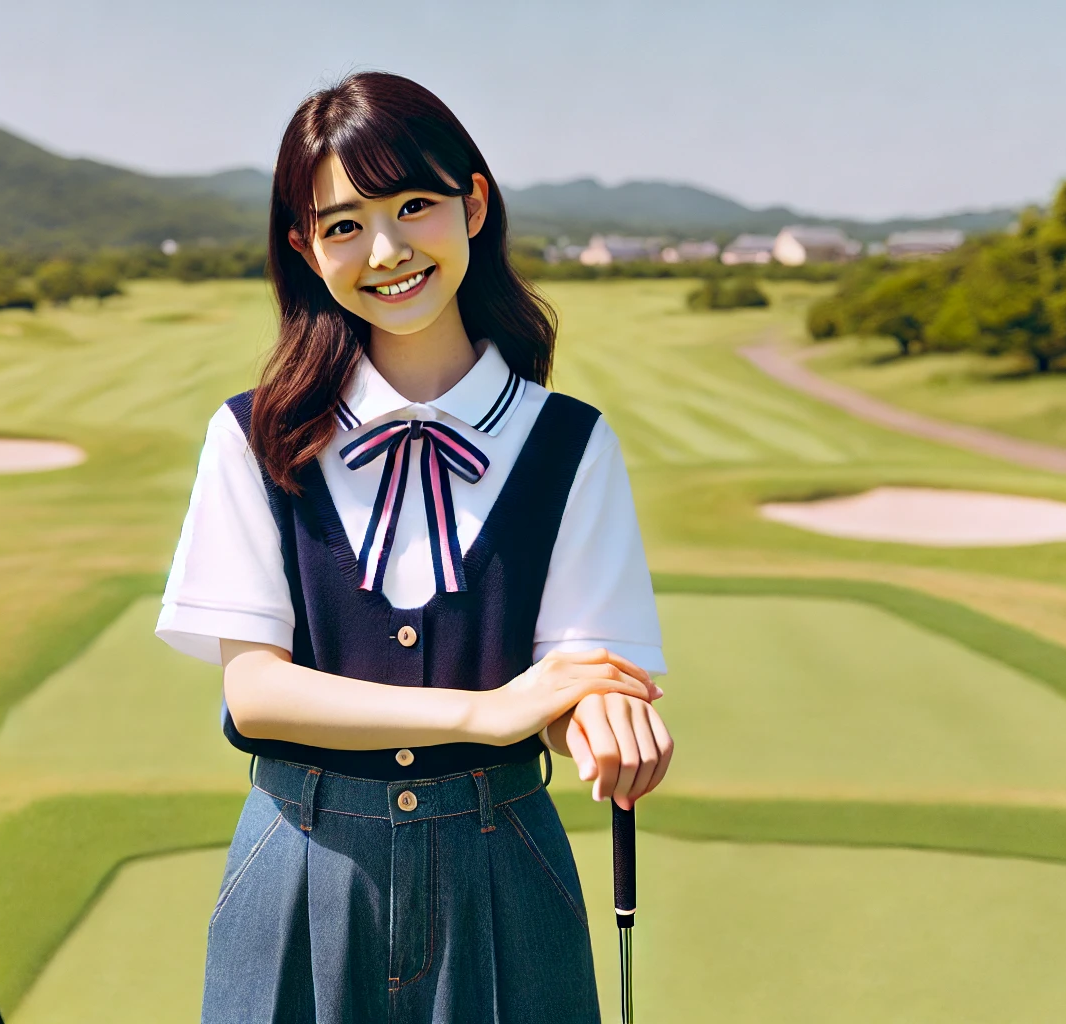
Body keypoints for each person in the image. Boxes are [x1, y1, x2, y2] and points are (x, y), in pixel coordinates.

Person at [157, 70, 672, 1024]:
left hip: (505, 869)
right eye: (345, 224)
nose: (386, 250)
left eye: (415, 205)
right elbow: (256, 692)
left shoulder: (569, 443)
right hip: (299, 864)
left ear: (473, 205)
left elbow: (580, 684)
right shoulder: (254, 436)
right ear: (306, 250)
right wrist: (490, 713)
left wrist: (604, 723)